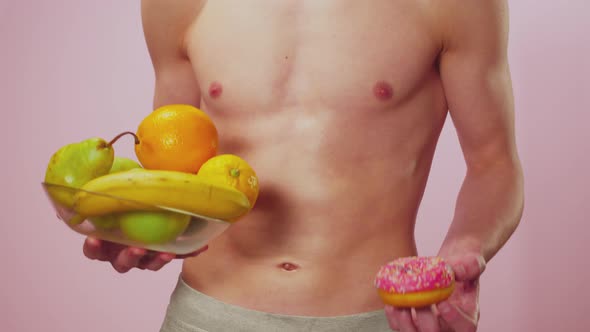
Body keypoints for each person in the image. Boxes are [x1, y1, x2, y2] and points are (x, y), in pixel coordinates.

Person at [82, 1, 524, 331]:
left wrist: (466, 248)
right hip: (208, 316)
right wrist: (142, 233)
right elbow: (176, 166)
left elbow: (494, 163)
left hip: (375, 318)